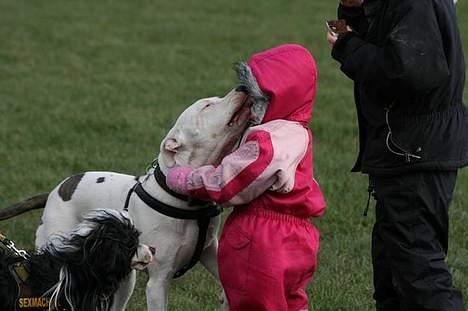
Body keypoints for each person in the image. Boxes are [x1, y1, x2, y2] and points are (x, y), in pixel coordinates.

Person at [327, 0, 467, 310]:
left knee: (418, 274)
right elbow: (384, 39)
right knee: (392, 271)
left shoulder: (414, 4)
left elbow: (411, 74)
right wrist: (353, 9)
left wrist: (349, 46)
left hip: (415, 152)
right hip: (405, 150)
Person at [166, 44, 326, 311]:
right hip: (300, 237)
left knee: (253, 299)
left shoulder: (266, 142)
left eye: (258, 101)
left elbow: (228, 183)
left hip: (262, 238)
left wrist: (186, 179)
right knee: (290, 300)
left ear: (277, 98)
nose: (251, 111)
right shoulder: (298, 132)